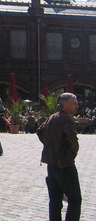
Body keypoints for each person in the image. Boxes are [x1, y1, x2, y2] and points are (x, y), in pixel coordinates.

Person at [37, 93, 82, 221]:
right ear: (66, 104)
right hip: (65, 166)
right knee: (75, 199)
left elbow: (40, 131)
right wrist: (71, 154)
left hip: (51, 166)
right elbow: (72, 139)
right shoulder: (66, 119)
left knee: (55, 201)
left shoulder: (52, 117)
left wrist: (50, 146)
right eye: (75, 103)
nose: (77, 106)